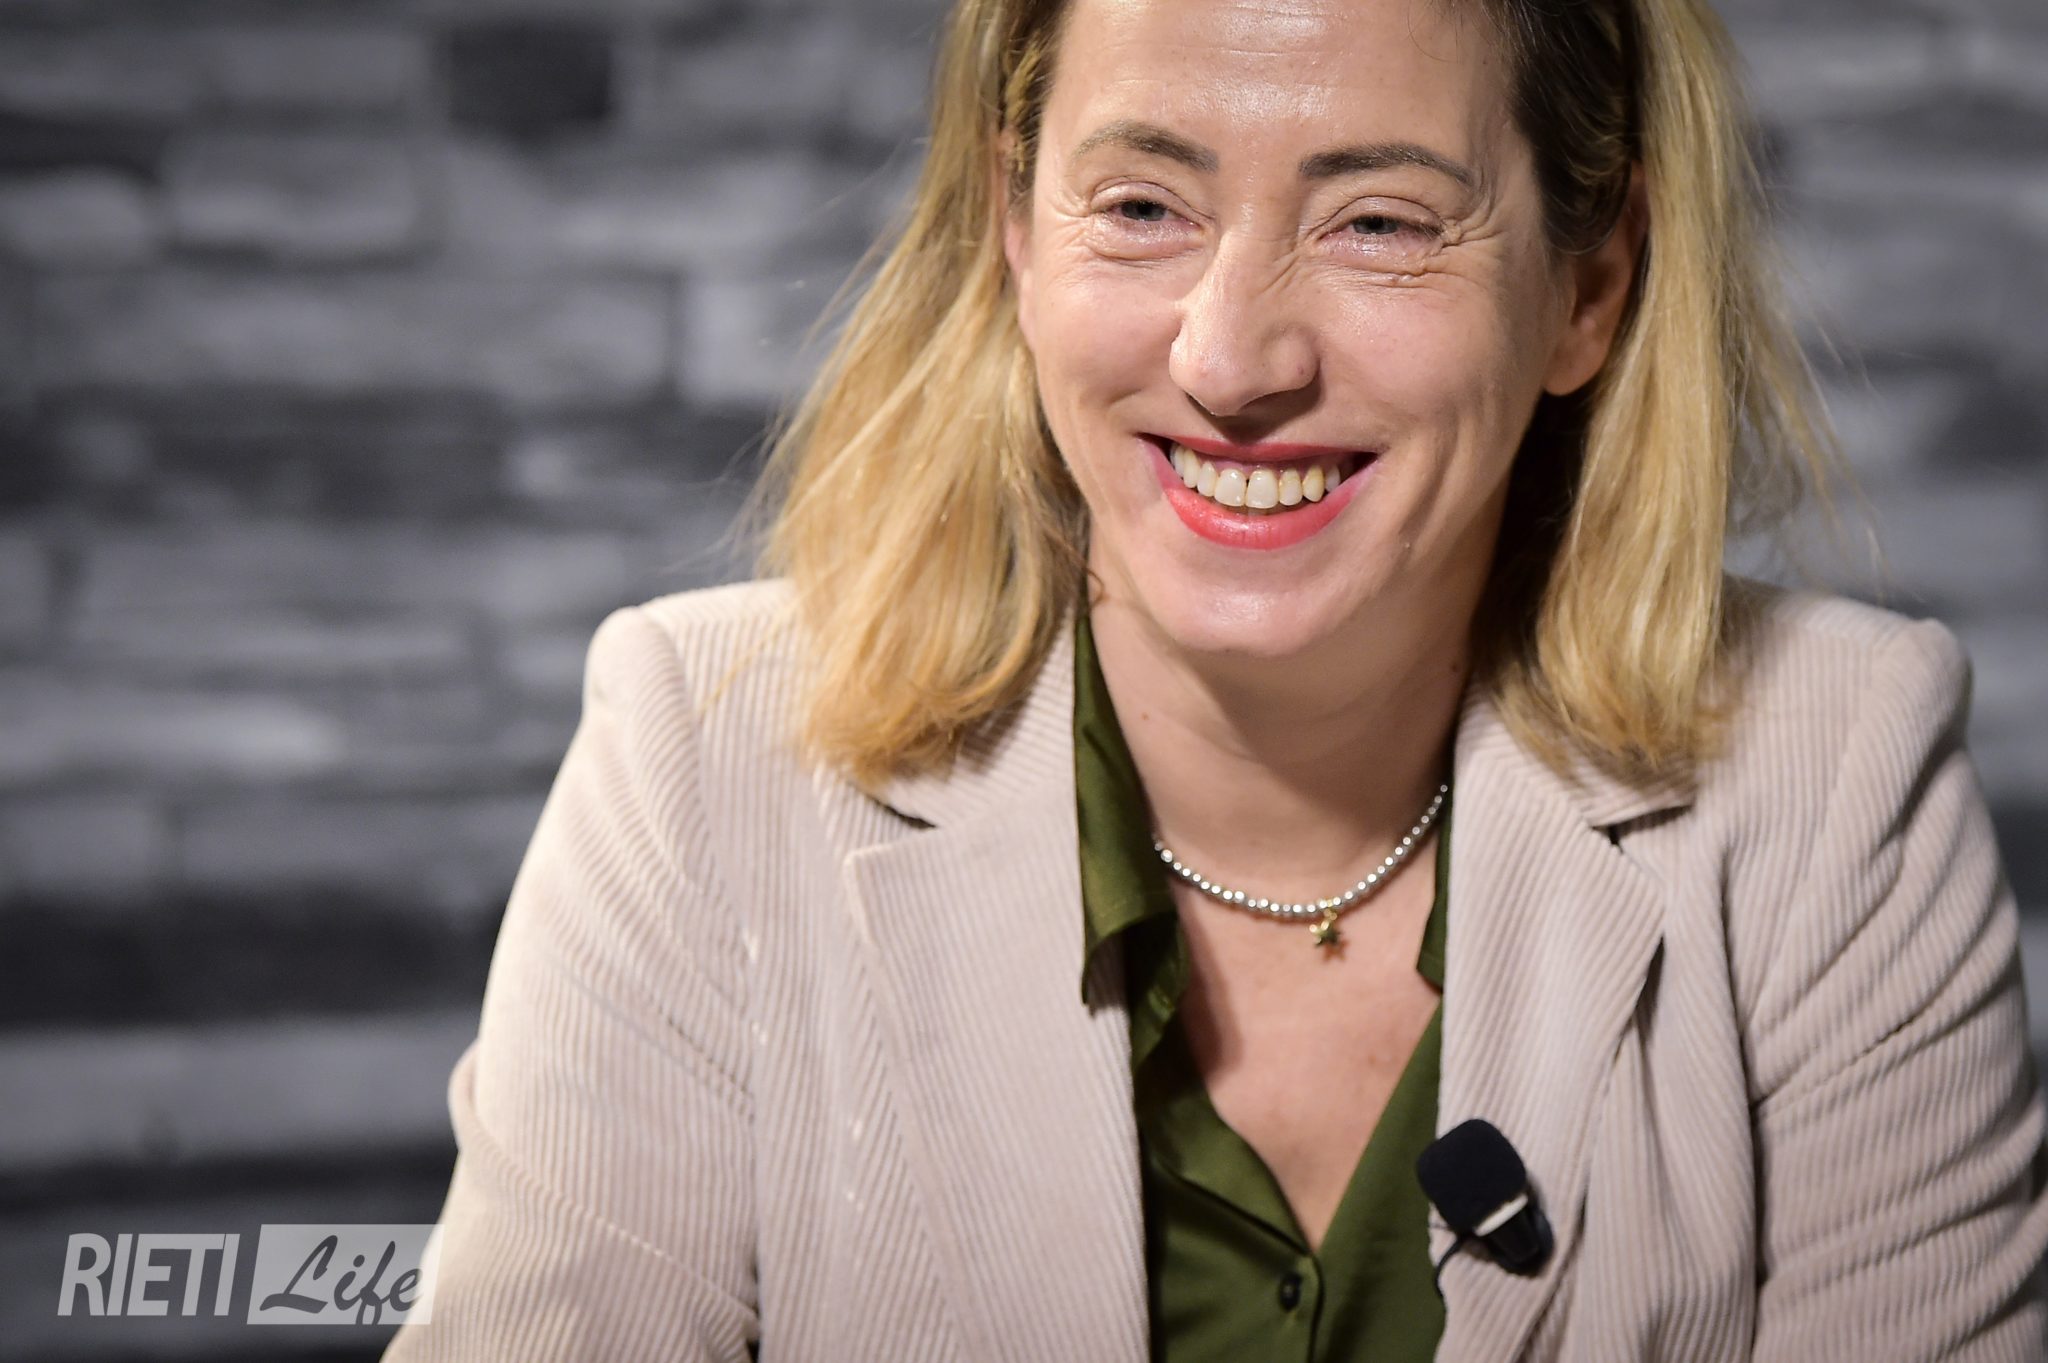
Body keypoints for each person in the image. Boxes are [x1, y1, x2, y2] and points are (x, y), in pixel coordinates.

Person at [381, 0, 2048, 1357]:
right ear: (1016, 231)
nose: (1232, 359)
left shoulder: (1836, 780)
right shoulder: (701, 758)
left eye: (1380, 222)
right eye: (1141, 208)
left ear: (1587, 290)